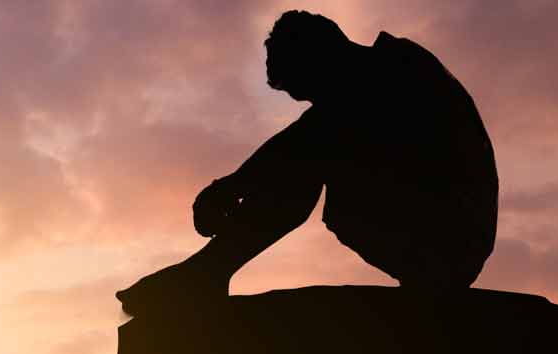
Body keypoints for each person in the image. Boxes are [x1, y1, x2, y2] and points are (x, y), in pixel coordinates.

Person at [116, 10, 498, 317]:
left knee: (312, 149)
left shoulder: (397, 68)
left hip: (449, 236)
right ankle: (208, 271)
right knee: (314, 145)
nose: (311, 103)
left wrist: (233, 186)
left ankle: (207, 272)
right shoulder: (373, 80)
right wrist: (235, 184)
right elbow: (312, 131)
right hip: (432, 229)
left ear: (324, 56)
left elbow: (309, 136)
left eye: (308, 90)